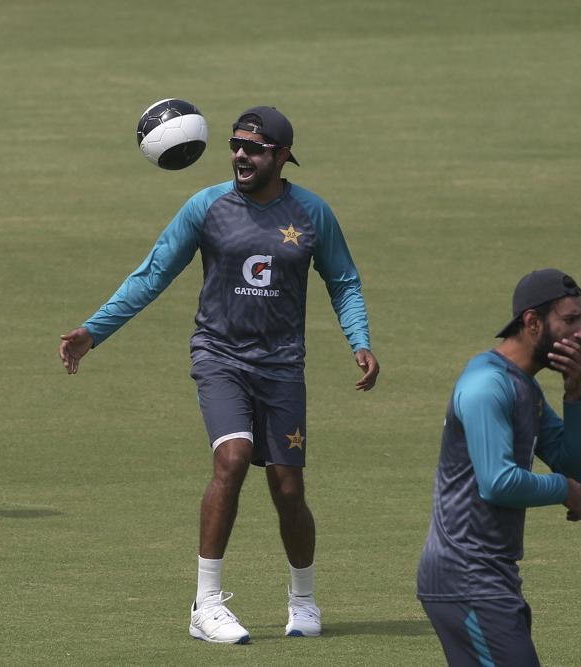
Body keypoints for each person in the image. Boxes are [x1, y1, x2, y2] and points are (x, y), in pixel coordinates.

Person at [60, 106, 379, 643]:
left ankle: (303, 600)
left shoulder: (312, 213)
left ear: (281, 156)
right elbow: (153, 273)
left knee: (288, 488)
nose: (239, 156)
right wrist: (94, 331)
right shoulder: (206, 207)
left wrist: (360, 340)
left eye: (253, 148)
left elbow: (343, 280)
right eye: (235, 145)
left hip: (281, 368)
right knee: (230, 460)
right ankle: (205, 604)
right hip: (220, 358)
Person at [416, 268, 581, 666]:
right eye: (569, 320)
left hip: (490, 578)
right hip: (466, 579)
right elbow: (497, 483)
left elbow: (574, 463)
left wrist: (574, 393)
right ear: (532, 322)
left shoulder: (523, 386)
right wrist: (562, 490)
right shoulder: (486, 386)